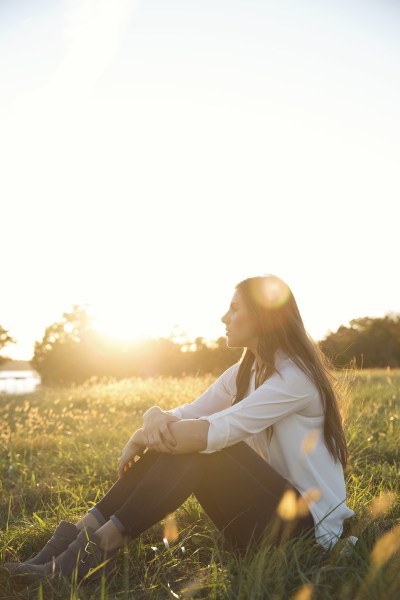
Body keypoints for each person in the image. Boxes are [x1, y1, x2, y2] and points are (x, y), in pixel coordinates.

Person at [6, 274, 354, 587]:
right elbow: (189, 413)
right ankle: (67, 547)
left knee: (205, 447)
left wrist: (143, 435)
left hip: (307, 532)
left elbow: (211, 431)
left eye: (234, 309)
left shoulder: (295, 378)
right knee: (189, 438)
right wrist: (154, 415)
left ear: (264, 317)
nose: (223, 317)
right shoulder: (246, 370)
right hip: (263, 515)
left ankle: (99, 549)